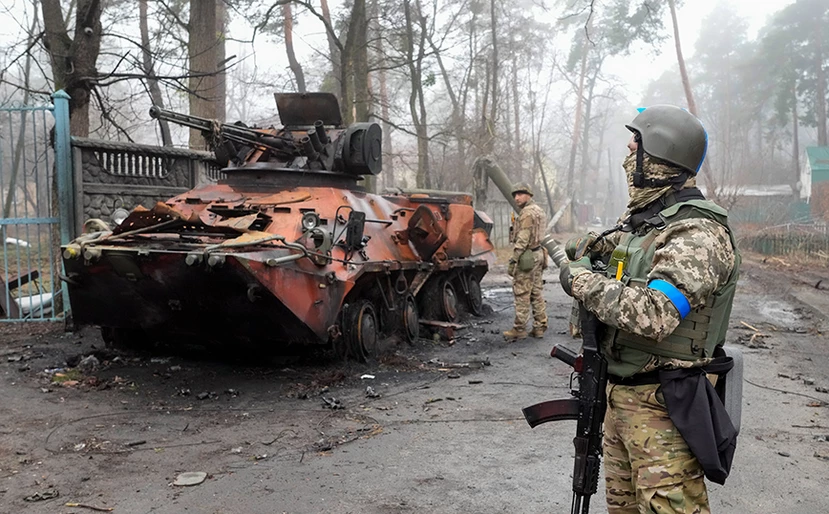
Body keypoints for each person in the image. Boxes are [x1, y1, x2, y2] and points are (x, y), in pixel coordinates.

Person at [558, 105, 741, 513]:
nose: (628, 149)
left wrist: (581, 281)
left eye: (636, 142)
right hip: (621, 399)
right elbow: (623, 259)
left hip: (663, 408)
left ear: (661, 155)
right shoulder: (646, 224)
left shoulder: (697, 232)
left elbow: (655, 313)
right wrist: (592, 250)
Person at [503, 182, 548, 341]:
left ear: (529, 195)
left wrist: (514, 260)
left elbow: (522, 239)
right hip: (538, 253)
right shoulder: (539, 210)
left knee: (522, 292)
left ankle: (519, 328)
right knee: (536, 291)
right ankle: (539, 327)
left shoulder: (527, 213)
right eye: (514, 195)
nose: (516, 197)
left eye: (520, 194)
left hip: (527, 256)